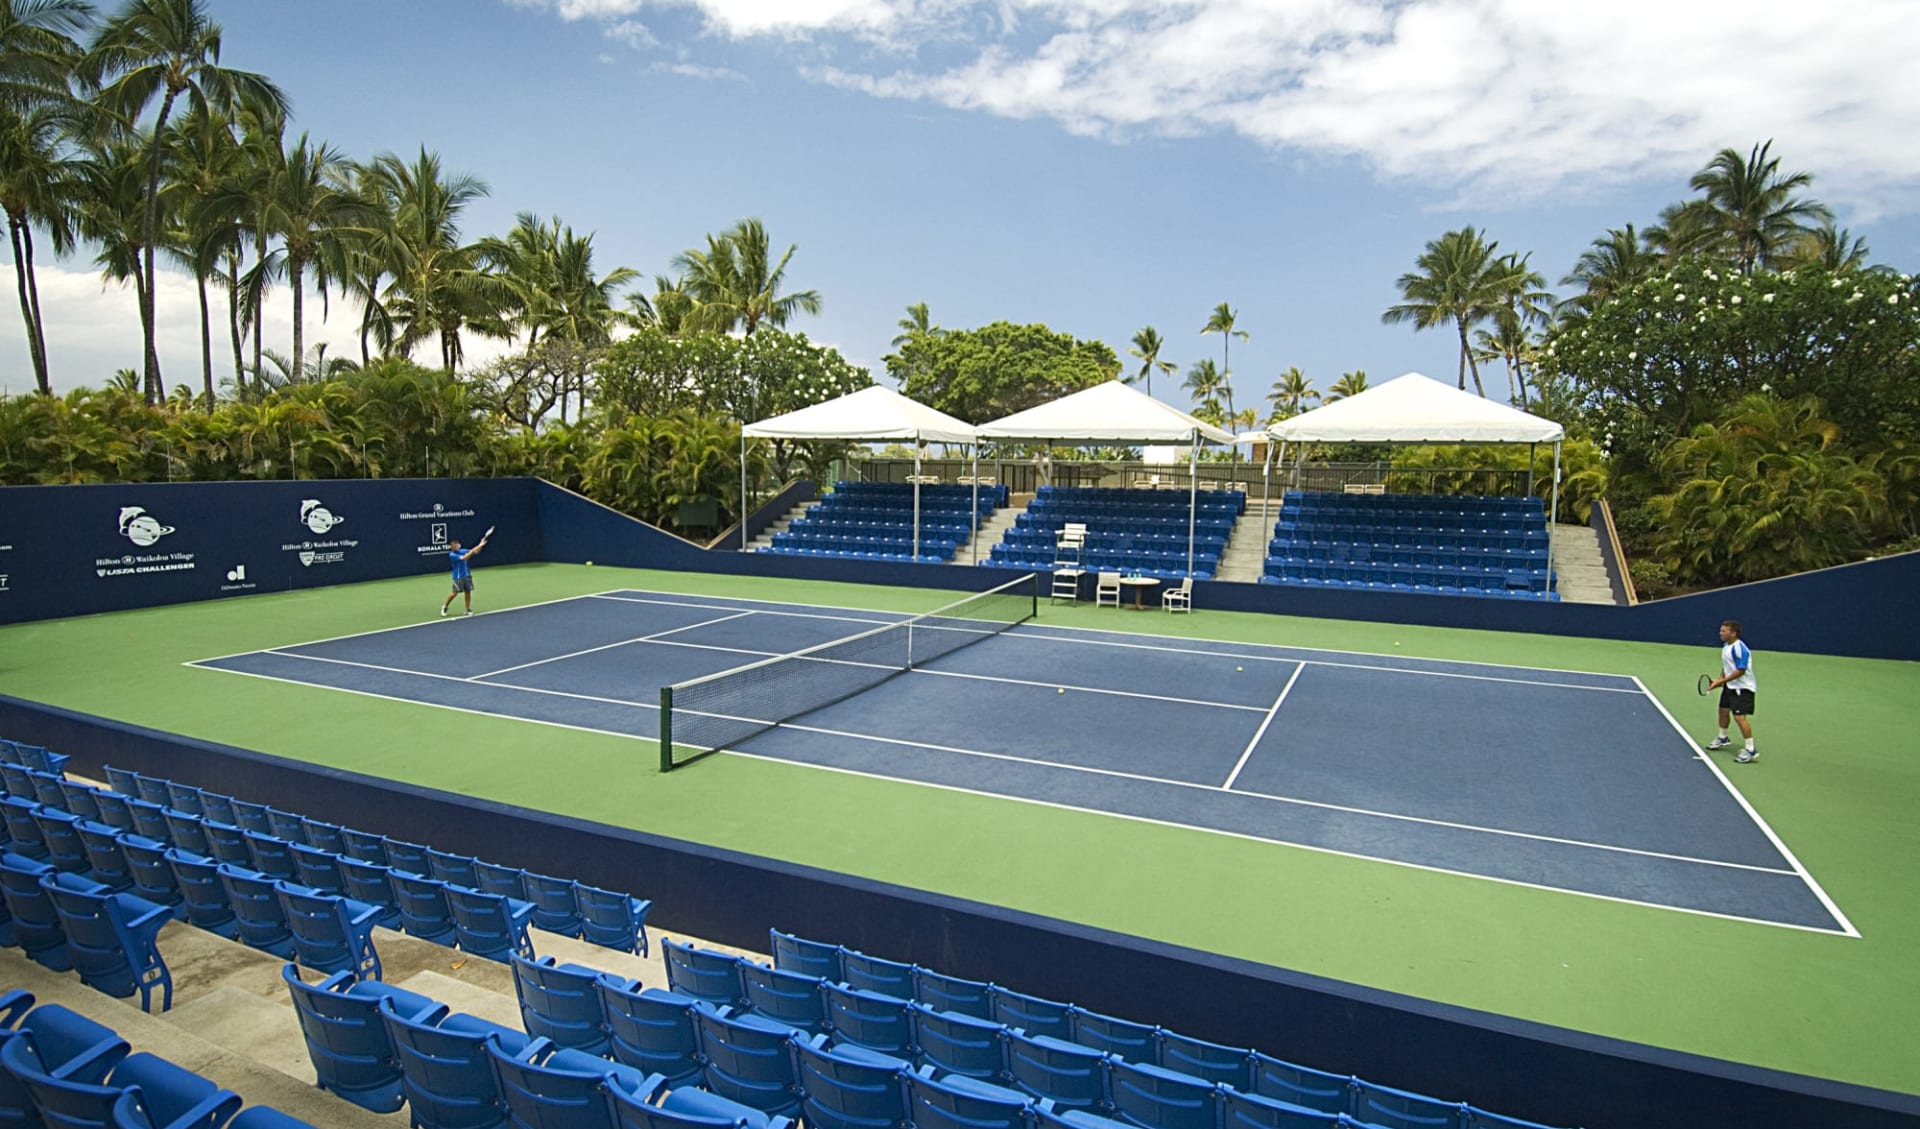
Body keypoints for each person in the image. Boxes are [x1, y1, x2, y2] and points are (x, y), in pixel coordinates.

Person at [1704, 619, 1758, 763]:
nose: (1720, 633)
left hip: (1742, 688)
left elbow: (1740, 670)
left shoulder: (1740, 648)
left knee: (1740, 718)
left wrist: (1721, 682)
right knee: (1723, 711)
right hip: (1730, 686)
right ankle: (1723, 737)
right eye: (1721, 630)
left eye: (1723, 631)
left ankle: (1750, 749)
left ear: (1733, 633)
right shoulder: (1726, 646)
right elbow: (1727, 666)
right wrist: (1720, 679)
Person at [440, 531, 491, 617]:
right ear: (451, 547)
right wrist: (478, 546)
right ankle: (445, 607)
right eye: (453, 546)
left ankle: (467, 609)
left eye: (456, 545)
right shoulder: (452, 555)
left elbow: (476, 552)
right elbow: (465, 558)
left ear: (458, 545)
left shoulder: (463, 550)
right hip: (458, 577)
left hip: (467, 575)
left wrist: (481, 546)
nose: (455, 547)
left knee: (468, 591)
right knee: (454, 593)